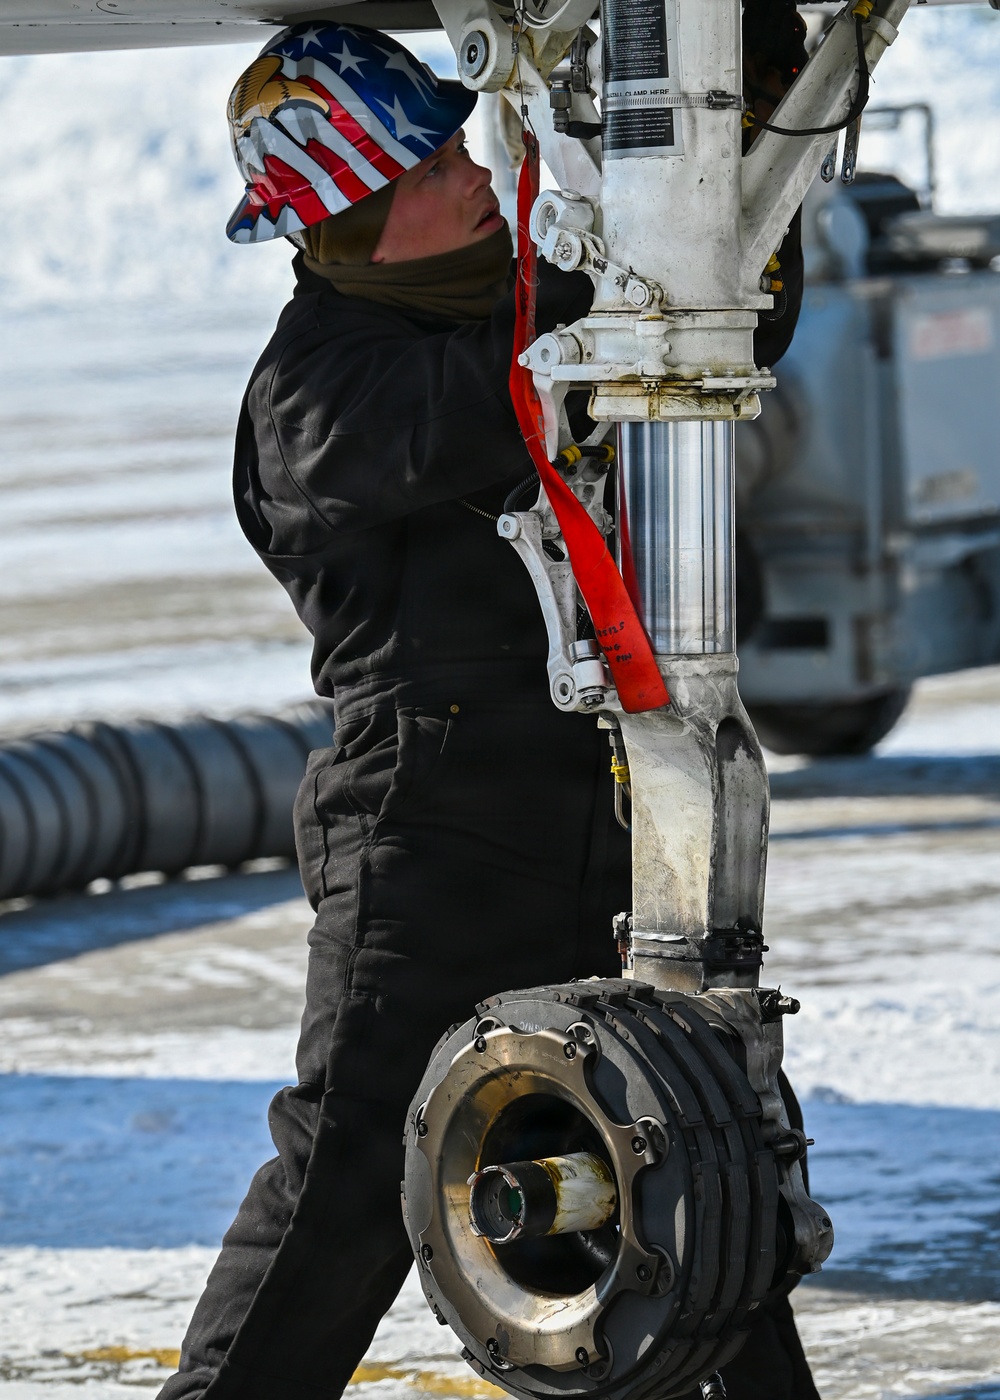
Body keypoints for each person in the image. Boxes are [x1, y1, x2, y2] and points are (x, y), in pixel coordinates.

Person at [158, 17, 814, 1400]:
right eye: (431, 165)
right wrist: (640, 293)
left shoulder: (511, 300)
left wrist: (746, 159)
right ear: (356, 221)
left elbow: (708, 316)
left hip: (612, 807)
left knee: (697, 1159)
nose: (471, 171)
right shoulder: (320, 388)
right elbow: (523, 391)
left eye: (458, 143)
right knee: (347, 1180)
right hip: (432, 836)